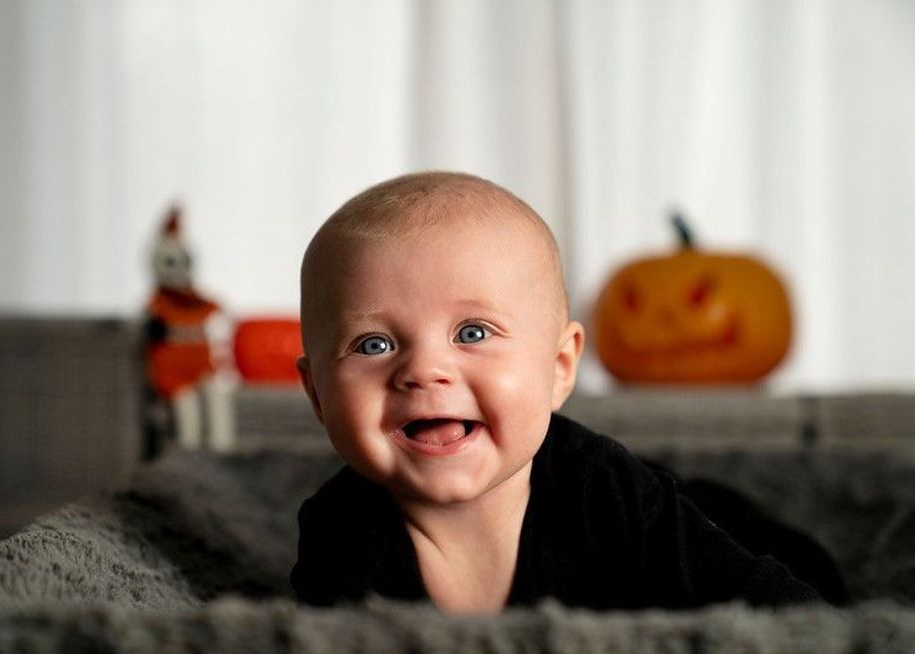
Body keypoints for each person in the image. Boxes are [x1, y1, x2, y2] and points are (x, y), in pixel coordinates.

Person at [290, 171, 821, 614]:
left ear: (560, 368)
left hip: (724, 529)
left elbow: (793, 619)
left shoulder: (606, 492)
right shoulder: (338, 528)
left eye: (472, 333)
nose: (425, 371)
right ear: (317, 394)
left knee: (717, 522)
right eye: (374, 343)